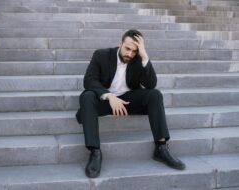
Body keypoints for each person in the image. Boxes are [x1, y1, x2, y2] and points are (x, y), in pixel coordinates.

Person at [75, 29, 186, 178]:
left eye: (134, 51)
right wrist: (109, 96)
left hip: (127, 101)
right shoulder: (101, 55)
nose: (130, 54)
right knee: (87, 96)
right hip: (106, 101)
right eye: (127, 48)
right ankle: (95, 152)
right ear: (120, 43)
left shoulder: (138, 59)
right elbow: (89, 81)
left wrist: (144, 56)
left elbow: (151, 84)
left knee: (155, 95)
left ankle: (161, 148)